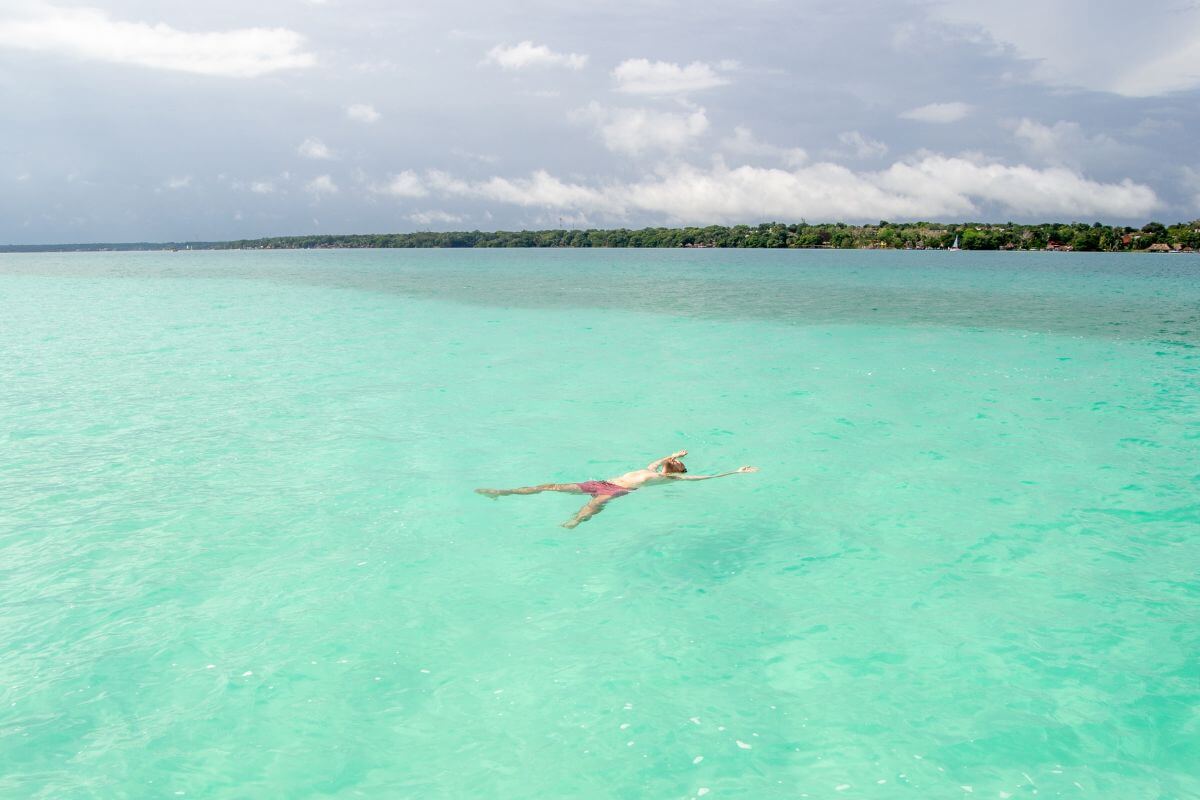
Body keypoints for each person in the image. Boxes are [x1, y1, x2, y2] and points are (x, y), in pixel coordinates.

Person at [475, 450, 759, 528]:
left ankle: (573, 523)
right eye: (673, 461)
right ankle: (502, 492)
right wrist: (674, 454)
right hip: (601, 482)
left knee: (591, 507)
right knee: (550, 486)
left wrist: (736, 471)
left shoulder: (672, 479)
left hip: (613, 490)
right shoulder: (652, 469)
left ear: (675, 471)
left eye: (674, 462)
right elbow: (657, 460)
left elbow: (706, 477)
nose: (672, 461)